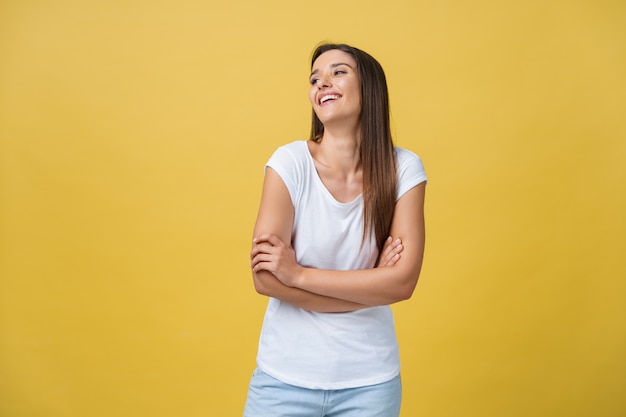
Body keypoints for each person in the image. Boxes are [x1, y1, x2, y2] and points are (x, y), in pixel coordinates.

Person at [243, 43, 427, 417]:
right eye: (315, 78)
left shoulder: (404, 170)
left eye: (338, 72)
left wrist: (297, 274)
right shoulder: (289, 163)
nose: (322, 82)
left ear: (370, 87)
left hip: (370, 384)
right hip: (283, 380)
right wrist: (372, 284)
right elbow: (265, 279)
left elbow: (402, 284)